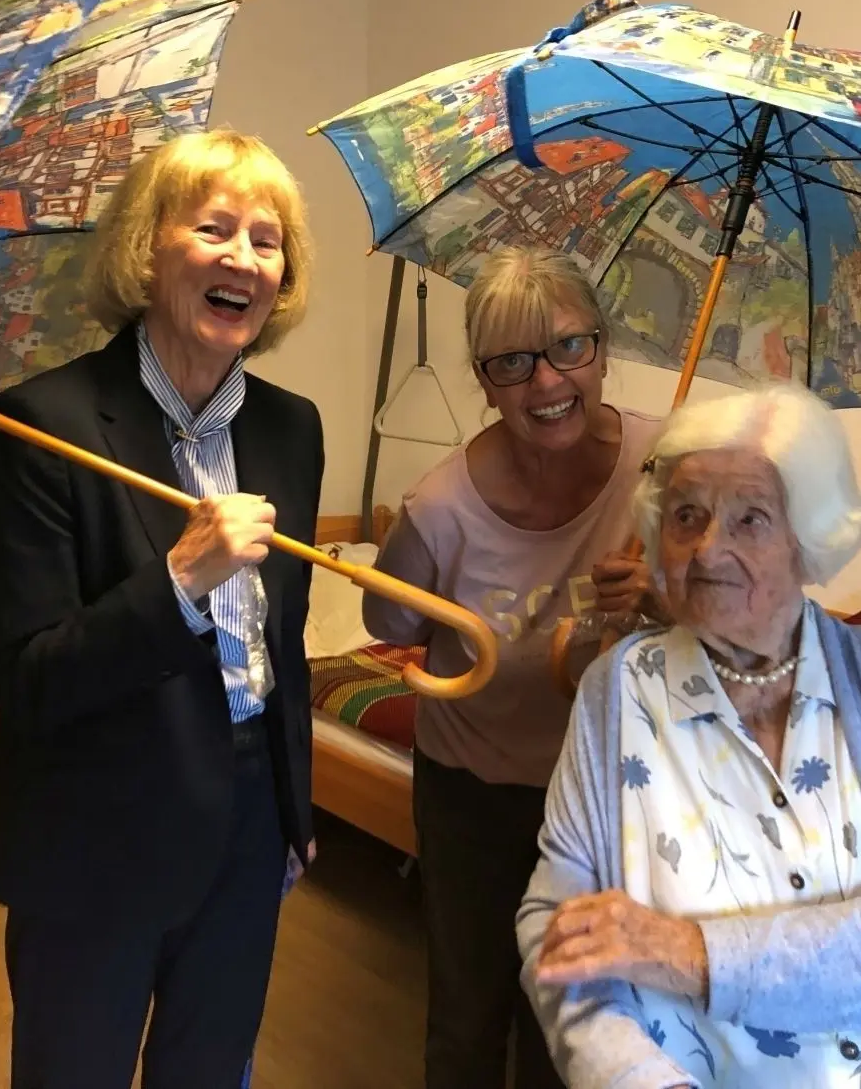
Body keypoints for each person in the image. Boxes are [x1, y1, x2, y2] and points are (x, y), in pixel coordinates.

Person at [516, 384, 861, 1089]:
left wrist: (694, 954)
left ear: (810, 540)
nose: (710, 546)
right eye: (687, 515)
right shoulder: (616, 691)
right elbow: (554, 927)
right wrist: (636, 1076)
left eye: (750, 518)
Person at [0, 128, 323, 1089]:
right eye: (214, 227)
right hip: (98, 829)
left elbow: (279, 645)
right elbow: (32, 679)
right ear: (147, 248)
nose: (244, 257)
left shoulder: (292, 427)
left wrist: (292, 802)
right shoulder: (41, 426)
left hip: (249, 823)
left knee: (209, 1070)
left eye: (267, 237)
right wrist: (180, 580)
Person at [362, 244, 660, 1089]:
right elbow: (388, 621)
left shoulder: (664, 462)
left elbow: (729, 613)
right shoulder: (438, 506)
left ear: (602, 349)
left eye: (571, 347)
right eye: (514, 362)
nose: (548, 382)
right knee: (467, 1014)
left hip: (609, 794)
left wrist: (663, 596)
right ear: (484, 381)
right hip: (474, 793)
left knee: (570, 1020)